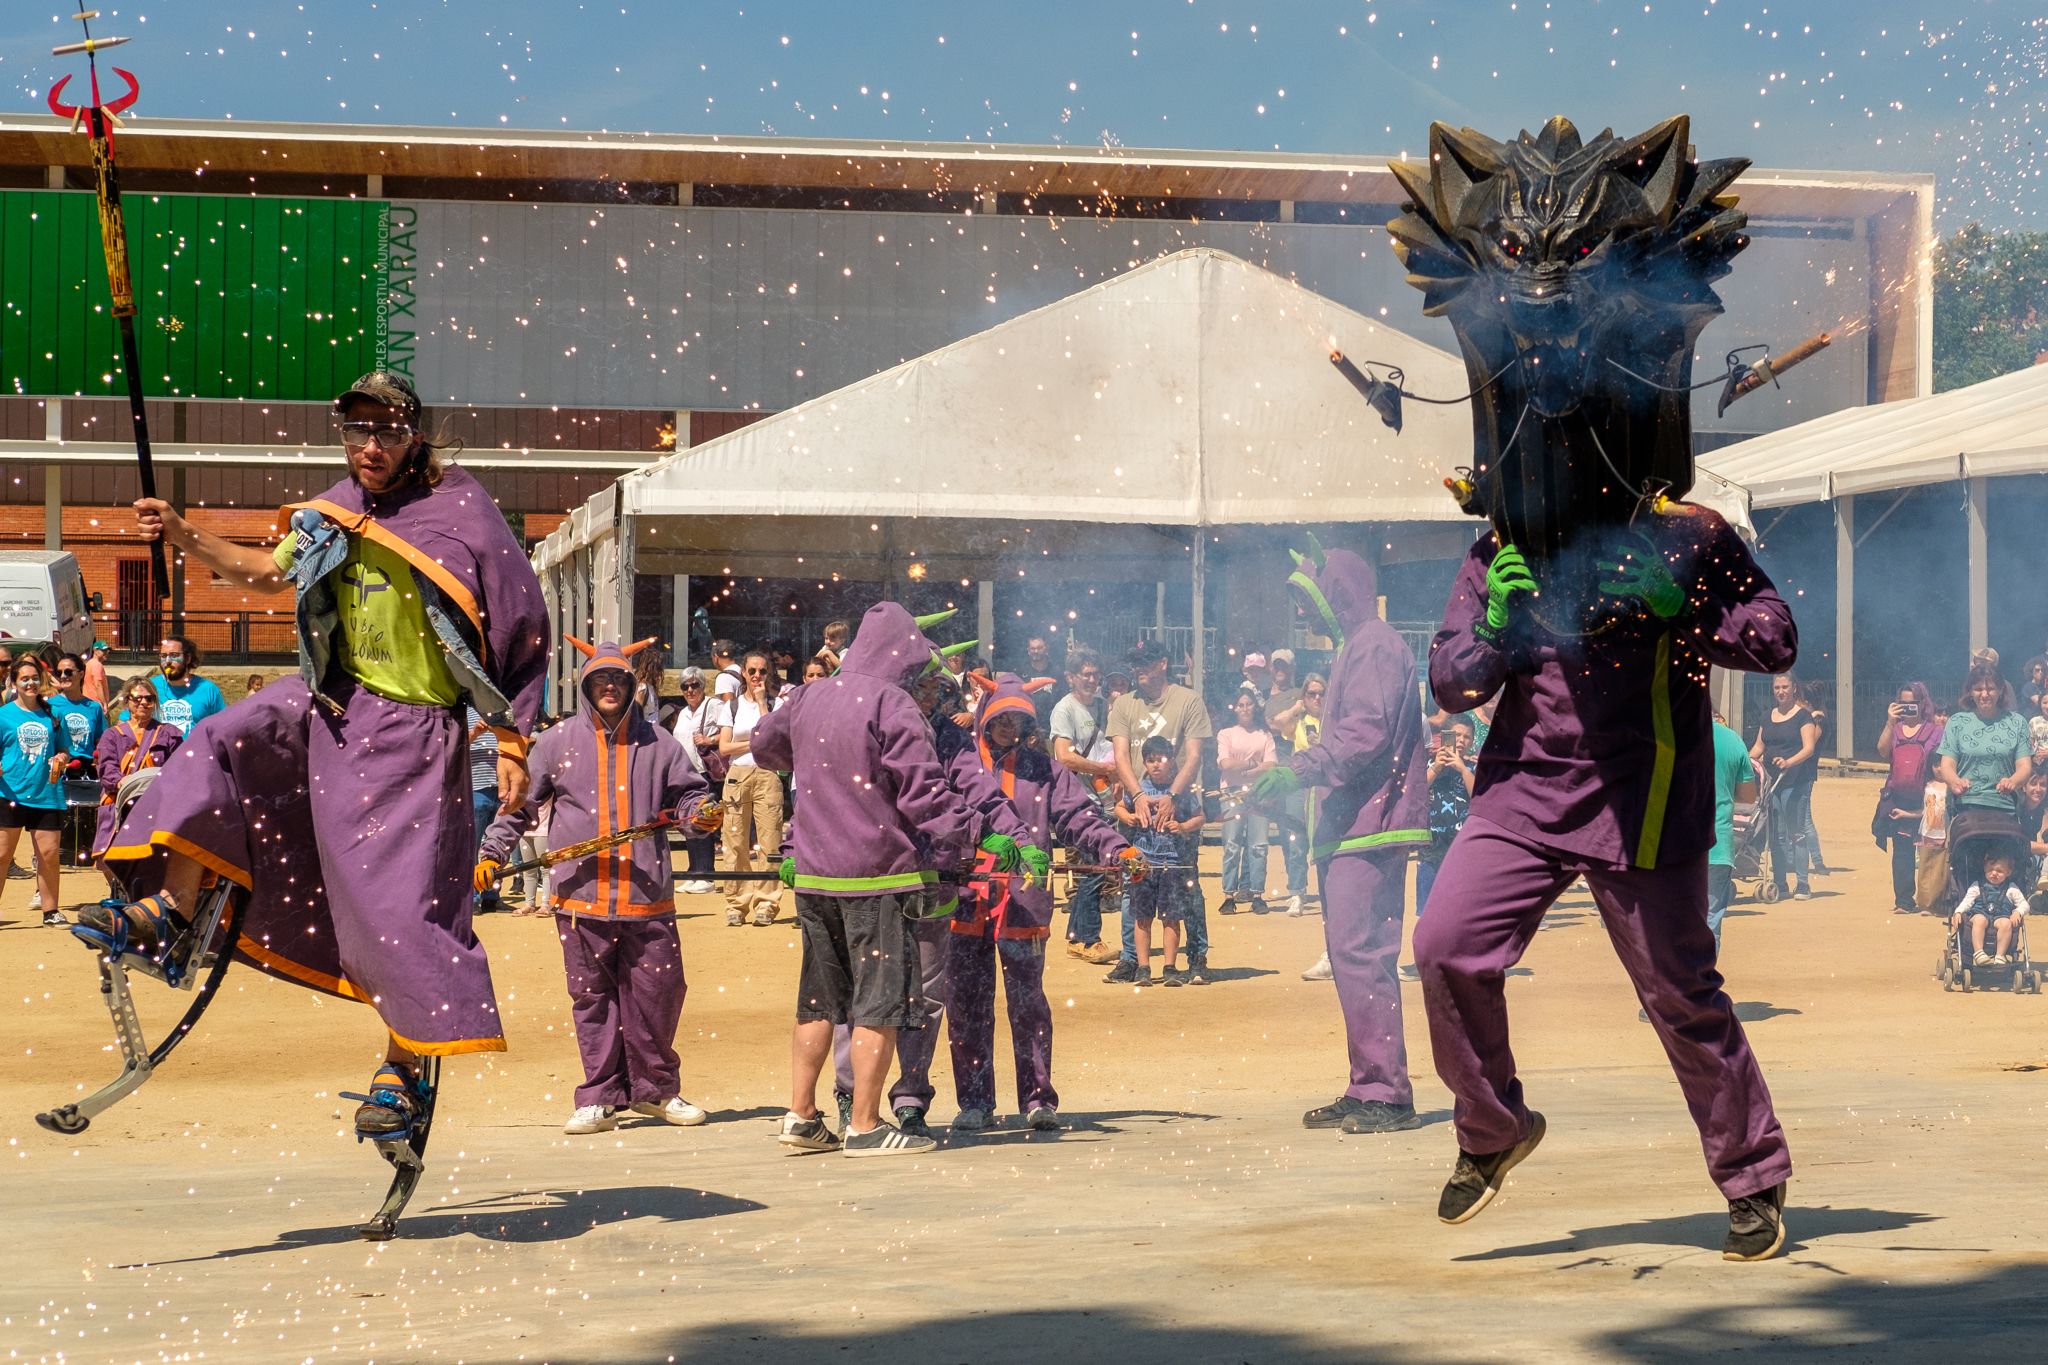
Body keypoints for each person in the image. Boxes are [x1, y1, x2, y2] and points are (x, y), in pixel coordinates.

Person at [85, 369, 549, 1148]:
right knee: (222, 739)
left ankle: (401, 1070)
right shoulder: (335, 511)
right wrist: (182, 531)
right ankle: (168, 913)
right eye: (357, 430)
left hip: (417, 733)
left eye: (388, 430)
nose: (371, 446)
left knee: (403, 913)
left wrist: (511, 735)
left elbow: (522, 623)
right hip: (333, 702)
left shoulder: (462, 511)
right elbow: (264, 574)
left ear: (417, 433)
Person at [1417, 509, 1797, 1261]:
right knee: (1444, 944)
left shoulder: (1694, 533)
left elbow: (1775, 638)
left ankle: (1754, 1174)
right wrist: (1494, 625)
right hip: (1523, 788)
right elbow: (1448, 682)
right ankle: (1494, 1130)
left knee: (1680, 994)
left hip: (1644, 794)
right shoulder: (1509, 534)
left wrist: (1685, 605)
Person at [749, 601, 984, 1158]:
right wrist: (973, 835)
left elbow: (762, 746)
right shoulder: (891, 702)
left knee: (819, 1002)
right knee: (880, 1005)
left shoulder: (809, 694)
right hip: (875, 879)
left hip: (814, 878)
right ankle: (865, 1125)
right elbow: (923, 794)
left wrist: (814, 758)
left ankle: (801, 1115)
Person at [474, 637, 721, 1135]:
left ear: (632, 687)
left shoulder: (661, 743)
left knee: (658, 993)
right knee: (592, 998)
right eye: (600, 680)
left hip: (647, 898)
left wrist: (701, 814)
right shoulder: (557, 741)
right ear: (587, 688)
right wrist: (491, 851)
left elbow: (692, 796)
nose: (610, 687)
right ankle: (600, 1095)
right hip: (579, 899)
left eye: (619, 680)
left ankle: (656, 1091)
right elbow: (521, 805)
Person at [1246, 540, 1431, 1135]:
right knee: (1353, 959)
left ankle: (1387, 1091)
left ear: (1338, 591)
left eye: (1308, 599)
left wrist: (1297, 767)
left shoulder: (1375, 644)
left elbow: (1364, 734)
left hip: (1371, 826)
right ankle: (1368, 1083)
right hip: (1356, 824)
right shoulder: (1358, 647)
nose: (1302, 614)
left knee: (1363, 957)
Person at [829, 658, 1035, 1139]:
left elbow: (981, 795)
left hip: (932, 881)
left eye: (935, 687)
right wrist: (797, 845)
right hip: (869, 881)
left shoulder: (948, 736)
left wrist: (1017, 838)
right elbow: (827, 791)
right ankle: (851, 1097)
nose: (928, 696)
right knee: (861, 997)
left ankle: (910, 1099)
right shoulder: (864, 722)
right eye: (920, 685)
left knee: (924, 998)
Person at [949, 672, 1129, 1130]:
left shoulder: (1045, 769)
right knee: (968, 1003)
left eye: (1018, 720)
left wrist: (1115, 847)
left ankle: (1036, 1098)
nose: (1010, 728)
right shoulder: (959, 762)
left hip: (1023, 902)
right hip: (965, 900)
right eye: (1001, 719)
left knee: (1028, 1004)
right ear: (985, 720)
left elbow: (1077, 817)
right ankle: (974, 1102)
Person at [1103, 639, 1213, 982]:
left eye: (1146, 662)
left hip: (1176, 812)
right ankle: (1132, 959)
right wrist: (1136, 795)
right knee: (1133, 885)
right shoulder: (1124, 705)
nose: (1139, 669)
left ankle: (1195, 957)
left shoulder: (1188, 700)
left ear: (1163, 663)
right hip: (1140, 810)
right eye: (1135, 663)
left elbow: (1194, 755)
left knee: (1186, 884)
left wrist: (1174, 797)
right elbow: (1120, 756)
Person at [1048, 646, 1121, 962]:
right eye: (1085, 674)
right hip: (1077, 803)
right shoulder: (1064, 710)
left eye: (1095, 674)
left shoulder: (1105, 707)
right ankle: (1089, 939)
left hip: (1104, 800)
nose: (1092, 679)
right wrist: (1105, 769)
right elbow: (1063, 757)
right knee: (1092, 871)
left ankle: (1077, 937)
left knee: (1094, 870)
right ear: (1071, 677)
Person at [1113, 735, 1198, 985]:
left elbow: (1200, 817)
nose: (1156, 765)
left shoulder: (1180, 790)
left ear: (1171, 761)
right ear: (1144, 763)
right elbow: (1119, 807)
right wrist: (1128, 818)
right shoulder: (1138, 788)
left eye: (1161, 759)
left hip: (1171, 861)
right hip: (1141, 861)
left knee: (1171, 917)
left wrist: (1181, 826)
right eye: (1150, 760)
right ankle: (1143, 967)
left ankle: (1170, 967)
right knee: (1142, 916)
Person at [89, 681, 182, 904]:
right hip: (120, 803)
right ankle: (124, 893)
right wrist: (124, 784)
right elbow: (107, 770)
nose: (143, 703)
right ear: (126, 701)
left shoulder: (168, 733)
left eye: (148, 698)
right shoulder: (112, 735)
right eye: (136, 698)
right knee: (108, 858)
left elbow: (180, 768)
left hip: (157, 805)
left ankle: (149, 900)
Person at [717, 649, 785, 927]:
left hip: (767, 774)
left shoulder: (776, 704)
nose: (757, 676)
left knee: (770, 841)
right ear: (743, 673)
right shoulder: (731, 706)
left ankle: (767, 902)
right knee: (734, 841)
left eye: (762, 671)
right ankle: (737, 902)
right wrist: (754, 743)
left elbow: (773, 739)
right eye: (752, 671)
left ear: (769, 674)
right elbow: (724, 747)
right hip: (738, 775)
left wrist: (761, 705)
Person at [0, 658, 69, 927]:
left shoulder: (52, 714)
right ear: (14, 683)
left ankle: (51, 911)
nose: (31, 683)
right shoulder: (4, 715)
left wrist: (61, 758)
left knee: (49, 854)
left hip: (47, 793)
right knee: (2, 855)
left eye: (35, 678)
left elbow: (63, 749)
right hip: (9, 793)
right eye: (24, 679)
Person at [1751, 673, 1820, 901]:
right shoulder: (1766, 717)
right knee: (1775, 834)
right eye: (1777, 687)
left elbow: (1808, 748)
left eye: (1784, 687)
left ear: (1793, 688)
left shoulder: (1803, 716)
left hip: (1796, 780)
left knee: (1796, 833)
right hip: (1772, 782)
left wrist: (1788, 762)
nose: (1780, 691)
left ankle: (1802, 883)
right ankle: (1780, 883)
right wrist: (1745, 762)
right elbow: (1758, 747)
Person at [1876, 682, 1942, 915]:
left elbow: (1940, 763)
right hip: (1899, 797)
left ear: (1923, 704)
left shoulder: (1935, 730)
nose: (1908, 708)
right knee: (1902, 850)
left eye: (1912, 704)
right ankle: (1903, 900)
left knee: (1930, 849)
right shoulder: (1894, 729)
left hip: (1928, 797)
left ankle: (1930, 900)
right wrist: (1889, 721)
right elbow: (1883, 751)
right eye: (1903, 704)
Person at [1936, 661, 2032, 821]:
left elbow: (2025, 766)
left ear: (2001, 690)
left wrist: (2012, 781)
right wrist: (1955, 781)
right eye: (1978, 689)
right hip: (1965, 808)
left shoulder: (2018, 723)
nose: (1985, 694)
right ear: (1970, 692)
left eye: (1991, 689)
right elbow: (1947, 765)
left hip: (2005, 808)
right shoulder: (1956, 722)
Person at [1215, 691, 1277, 914]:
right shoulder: (1226, 733)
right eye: (1240, 704)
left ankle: (1257, 894)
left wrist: (1243, 766)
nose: (1244, 708)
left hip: (1259, 792)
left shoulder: (1264, 734)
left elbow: (1271, 765)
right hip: (1231, 792)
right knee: (1232, 843)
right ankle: (1229, 894)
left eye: (1248, 704)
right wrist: (1253, 763)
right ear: (1235, 708)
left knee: (1259, 844)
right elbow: (1225, 764)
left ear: (1254, 707)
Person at [1262, 649, 1312, 915]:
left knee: (1307, 833)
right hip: (1281, 778)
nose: (1280, 670)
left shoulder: (1308, 693)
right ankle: (1297, 890)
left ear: (1293, 668)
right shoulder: (1275, 701)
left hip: (1306, 774)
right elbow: (1274, 724)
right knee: (1290, 836)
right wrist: (1297, 707)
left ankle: (1307, 889)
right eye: (1276, 666)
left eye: (1285, 666)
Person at [1416, 716, 1477, 919]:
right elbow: (1416, 793)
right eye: (1456, 735)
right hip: (1431, 848)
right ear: (1444, 737)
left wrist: (1462, 768)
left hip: (1463, 848)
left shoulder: (1474, 768)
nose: (1461, 741)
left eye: (1467, 737)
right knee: (1427, 911)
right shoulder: (1429, 764)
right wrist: (1436, 767)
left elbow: (1479, 796)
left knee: (1460, 909)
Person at [670, 666, 722, 894]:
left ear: (703, 686)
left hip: (704, 774)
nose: (690, 690)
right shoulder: (682, 713)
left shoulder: (714, 706)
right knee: (688, 823)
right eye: (685, 686)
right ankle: (694, 872)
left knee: (703, 822)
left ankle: (706, 875)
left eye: (694, 685)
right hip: (685, 775)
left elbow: (728, 731)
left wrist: (710, 739)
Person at [1950, 851, 2027, 967]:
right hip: (1980, 913)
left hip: (2001, 917)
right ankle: (1978, 952)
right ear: (1984, 869)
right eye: (1990, 870)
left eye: (1999, 871)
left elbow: (2024, 904)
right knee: (1980, 920)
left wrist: (2017, 912)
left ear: (2008, 872)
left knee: (2006, 923)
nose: (1994, 873)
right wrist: (1958, 912)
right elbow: (1967, 901)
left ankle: (2000, 955)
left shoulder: (2011, 888)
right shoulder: (1977, 885)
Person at [149, 636, 227, 736]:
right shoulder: (149, 687)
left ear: (187, 658)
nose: (167, 661)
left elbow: (222, 728)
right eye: (163, 656)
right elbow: (127, 722)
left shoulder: (208, 690)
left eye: (174, 655)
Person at [465, 708, 502, 913]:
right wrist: (475, 734)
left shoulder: (501, 711)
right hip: (475, 789)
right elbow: (454, 746)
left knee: (497, 845)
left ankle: (492, 895)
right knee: (472, 845)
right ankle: (473, 897)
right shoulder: (465, 712)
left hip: (501, 790)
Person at [1800, 680, 1833, 874]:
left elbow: (1807, 744)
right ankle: (1791, 857)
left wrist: (1810, 719)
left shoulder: (1818, 721)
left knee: (1805, 818)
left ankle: (1818, 861)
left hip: (1805, 773)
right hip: (1799, 773)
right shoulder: (1812, 719)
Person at [83, 642, 112, 707]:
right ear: (95, 650)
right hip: (96, 703)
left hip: (88, 702)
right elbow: (98, 685)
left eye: (107, 650)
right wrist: (104, 703)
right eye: (103, 650)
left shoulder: (89, 663)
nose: (106, 653)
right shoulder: (97, 665)